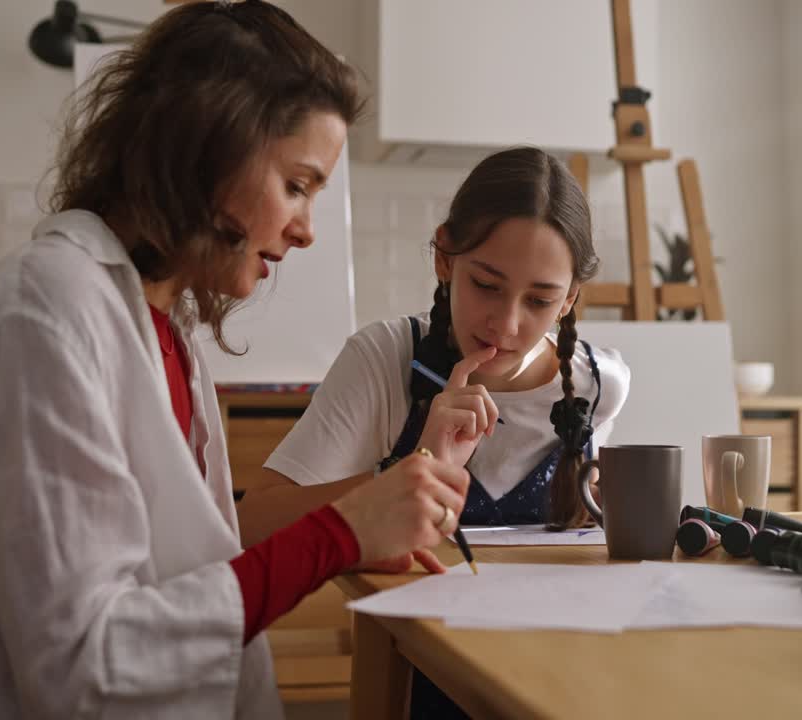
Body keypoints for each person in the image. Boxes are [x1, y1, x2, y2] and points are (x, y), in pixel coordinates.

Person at [0, 3, 468, 718]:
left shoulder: (160, 326)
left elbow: (188, 578)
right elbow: (84, 668)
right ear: (208, 151)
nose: (307, 231)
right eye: (296, 185)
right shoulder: (42, 317)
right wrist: (338, 532)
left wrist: (348, 537)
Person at [237, 146, 632, 717]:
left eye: (541, 300)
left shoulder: (601, 384)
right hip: (417, 689)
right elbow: (254, 521)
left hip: (558, 685)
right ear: (445, 257)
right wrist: (403, 477)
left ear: (570, 299)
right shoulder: (385, 359)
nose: (508, 322)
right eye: (487, 285)